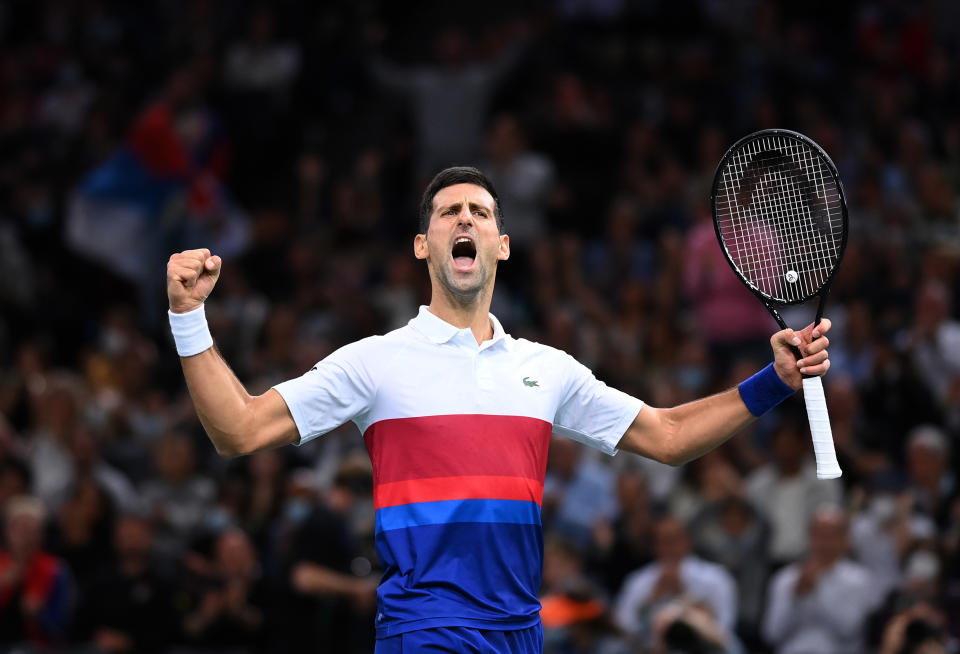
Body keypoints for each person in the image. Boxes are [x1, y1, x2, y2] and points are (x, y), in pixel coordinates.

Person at [165, 166, 832, 653]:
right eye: (448, 212)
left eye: (479, 213)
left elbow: (669, 434)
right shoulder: (373, 362)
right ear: (423, 246)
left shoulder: (547, 369)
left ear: (502, 245)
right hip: (424, 630)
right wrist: (189, 317)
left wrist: (773, 381)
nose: (464, 220)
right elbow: (240, 430)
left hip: (519, 633)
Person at [762, 505, 880, 654]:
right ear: (809, 538)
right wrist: (795, 599)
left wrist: (817, 593)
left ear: (845, 539)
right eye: (819, 535)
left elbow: (849, 631)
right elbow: (771, 635)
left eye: (831, 536)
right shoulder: (785, 578)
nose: (824, 543)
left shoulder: (859, 580)